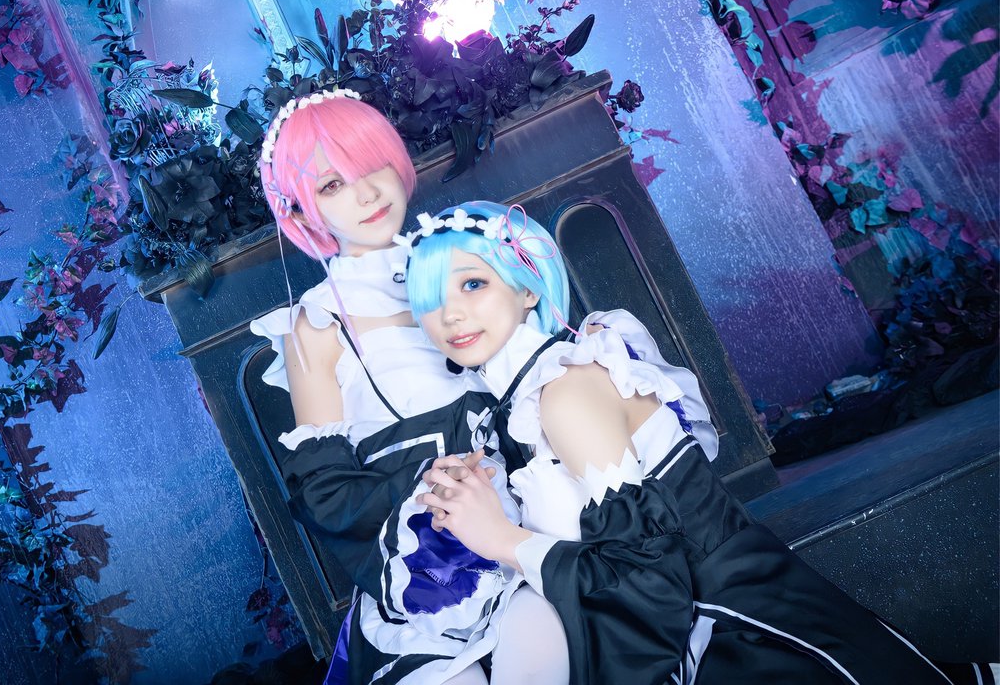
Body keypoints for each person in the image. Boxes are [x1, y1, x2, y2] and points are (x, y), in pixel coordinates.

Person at [405, 199, 997, 685]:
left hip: (741, 634)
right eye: (431, 300)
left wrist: (502, 539)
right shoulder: (521, 407)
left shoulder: (564, 391)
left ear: (527, 289)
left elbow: (652, 581)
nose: (450, 315)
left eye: (473, 284)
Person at [249, 93, 567, 684]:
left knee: (543, 634)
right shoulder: (316, 324)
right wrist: (426, 486)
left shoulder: (464, 260)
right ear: (301, 212)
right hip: (425, 561)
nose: (367, 193)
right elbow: (324, 493)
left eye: (371, 165)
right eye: (332, 185)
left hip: (529, 522)